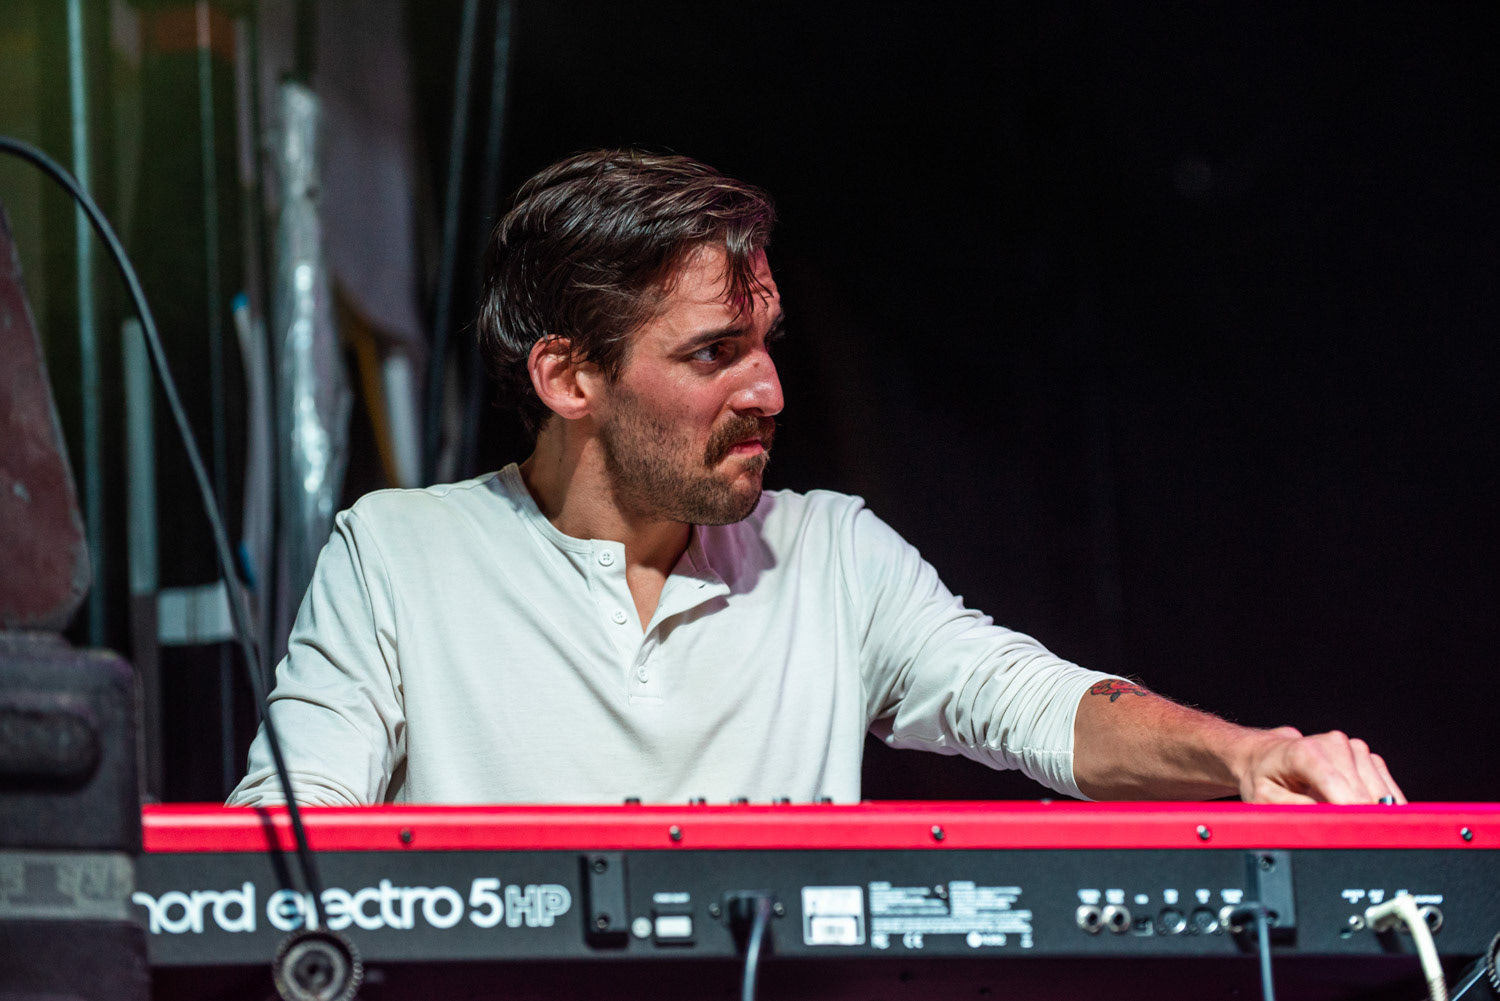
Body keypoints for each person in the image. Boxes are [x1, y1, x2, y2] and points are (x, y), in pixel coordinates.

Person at [228, 149, 1404, 808]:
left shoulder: (832, 552)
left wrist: (1245, 753)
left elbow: (1036, 703)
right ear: (569, 376)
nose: (770, 391)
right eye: (713, 353)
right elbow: (284, 841)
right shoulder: (399, 552)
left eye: (767, 343)